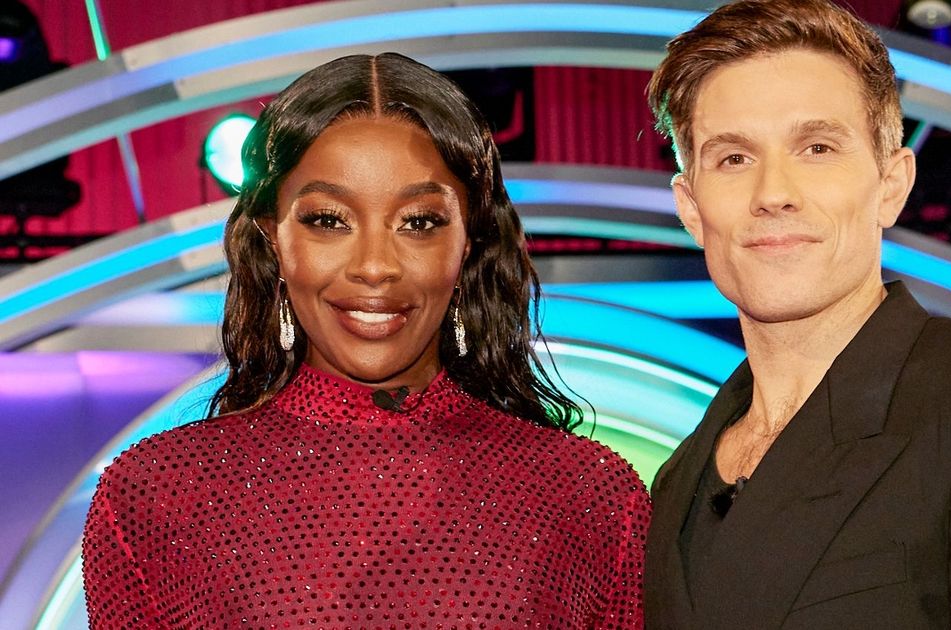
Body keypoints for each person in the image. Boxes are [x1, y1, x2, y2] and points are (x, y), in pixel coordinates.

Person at [82, 53, 649, 629]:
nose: (375, 267)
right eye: (329, 220)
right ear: (273, 236)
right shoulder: (157, 495)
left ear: (469, 240)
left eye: (418, 223)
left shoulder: (587, 496)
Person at [642, 1, 951, 628]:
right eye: (734, 159)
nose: (773, 193)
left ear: (892, 185)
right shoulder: (677, 481)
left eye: (817, 148)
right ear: (691, 209)